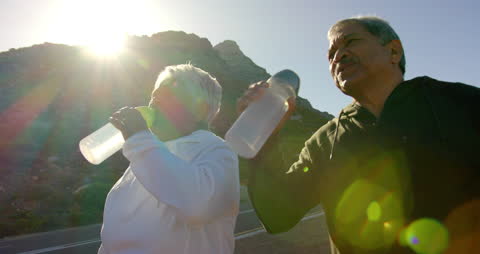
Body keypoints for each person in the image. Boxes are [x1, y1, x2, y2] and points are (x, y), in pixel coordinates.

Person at [240, 16, 480, 254]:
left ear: (393, 51)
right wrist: (265, 137)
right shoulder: (326, 141)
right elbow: (278, 214)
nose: (338, 56)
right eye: (331, 54)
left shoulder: (461, 104)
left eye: (350, 42)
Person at [98, 64, 240, 254]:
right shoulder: (144, 157)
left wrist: (140, 139)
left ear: (200, 108)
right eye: (154, 95)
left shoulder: (217, 151)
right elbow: (113, 236)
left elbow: (198, 205)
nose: (154, 101)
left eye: (167, 94)